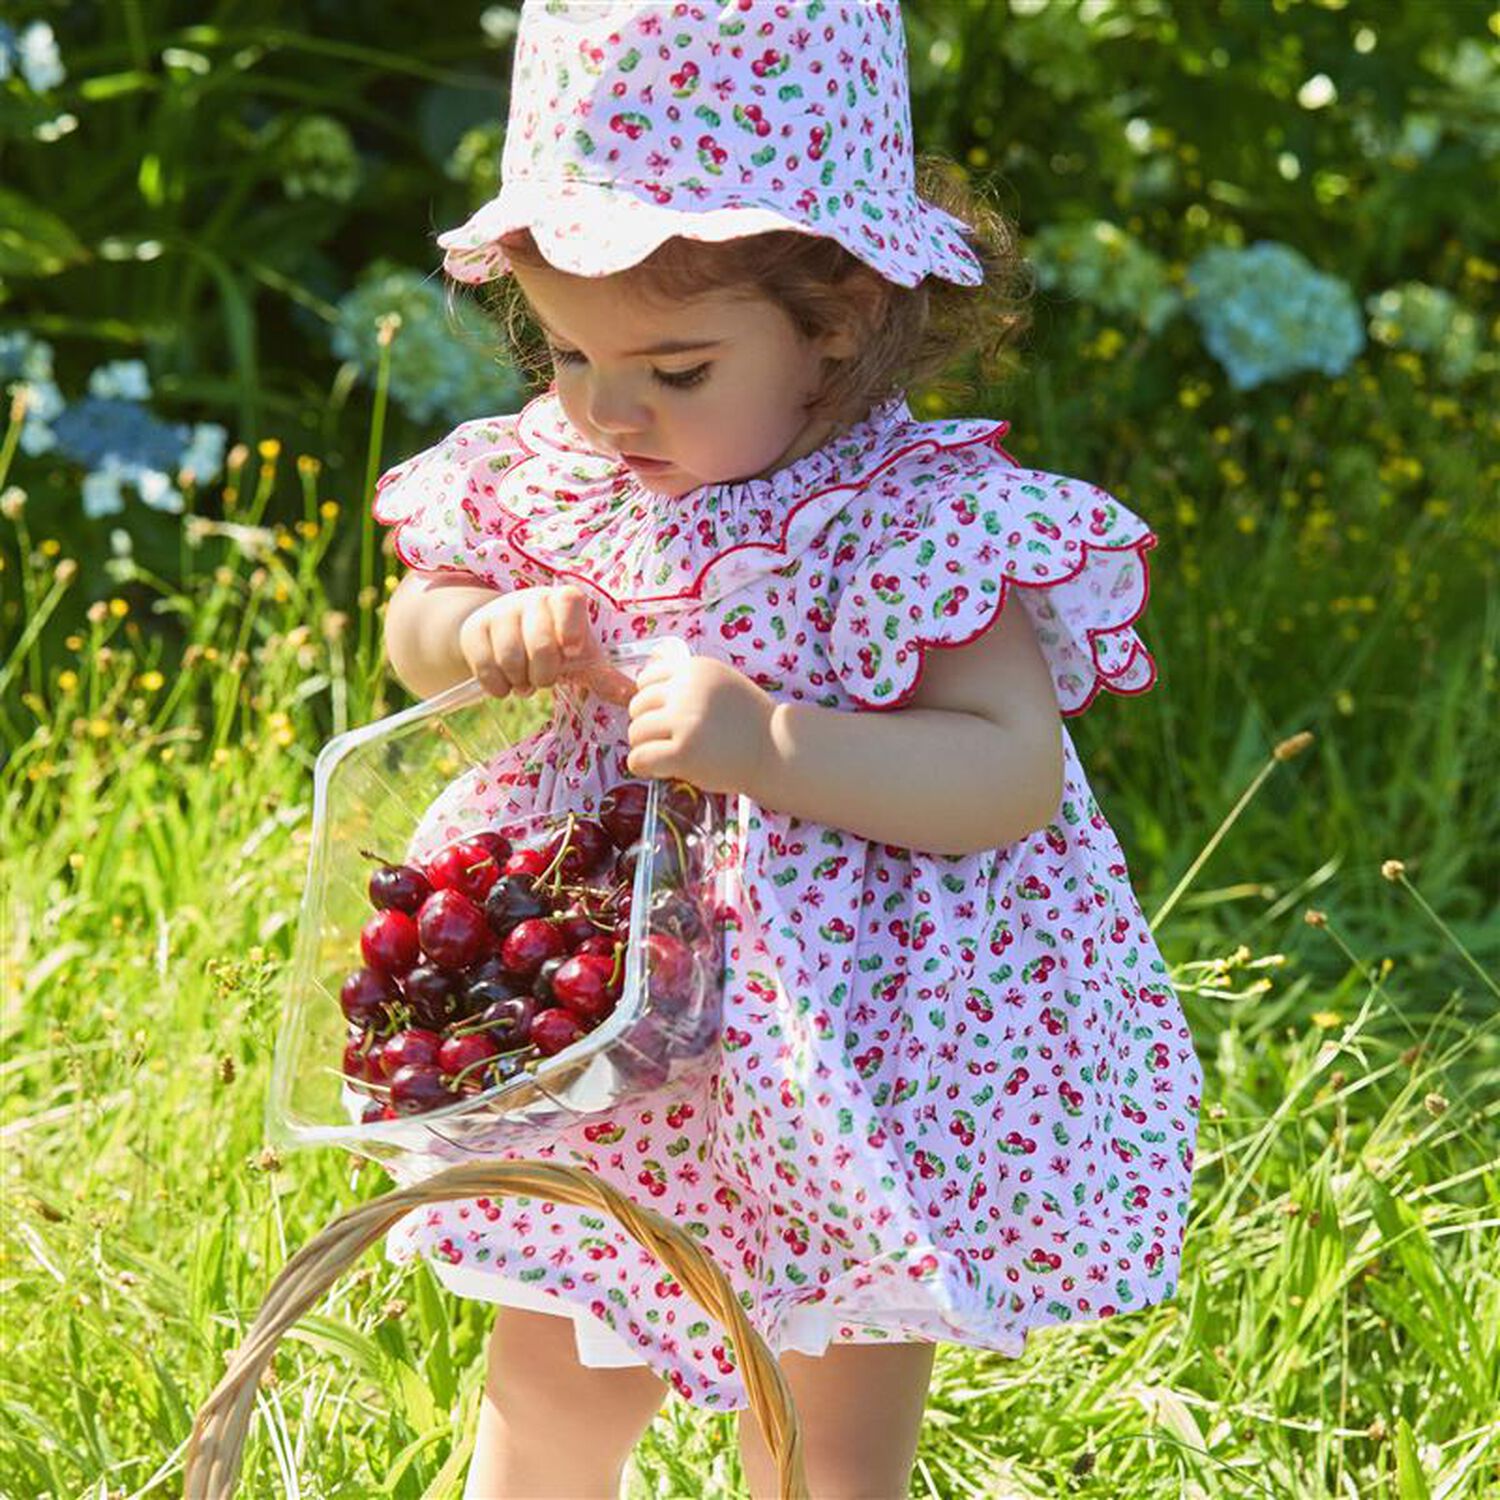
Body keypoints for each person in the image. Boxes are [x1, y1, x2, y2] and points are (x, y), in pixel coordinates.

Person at [374, 3, 1203, 1495]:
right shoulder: (555, 472)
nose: (608, 405)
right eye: (566, 349)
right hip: (604, 1023)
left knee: (820, 1428)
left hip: (859, 1049)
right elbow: (413, 627)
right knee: (554, 1380)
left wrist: (773, 742)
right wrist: (473, 634)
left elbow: (1006, 772)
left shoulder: (912, 519)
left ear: (836, 324)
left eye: (677, 370)